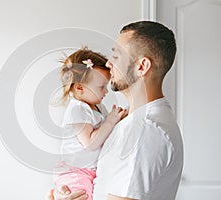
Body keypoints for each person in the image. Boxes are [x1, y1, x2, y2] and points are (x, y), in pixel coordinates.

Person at [48, 21, 184, 200]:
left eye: (117, 56)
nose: (108, 63)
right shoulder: (132, 120)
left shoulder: (143, 129)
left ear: (142, 66)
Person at [53, 47, 128, 200]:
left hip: (89, 170)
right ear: (79, 88)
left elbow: (108, 132)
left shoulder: (98, 107)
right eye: (101, 87)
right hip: (76, 172)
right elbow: (90, 143)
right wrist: (111, 120)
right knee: (81, 196)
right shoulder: (77, 109)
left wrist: (118, 119)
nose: (106, 92)